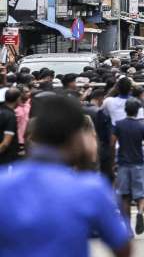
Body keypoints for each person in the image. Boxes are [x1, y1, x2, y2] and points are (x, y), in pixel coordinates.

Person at [0, 95, 132, 257]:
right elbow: (122, 247)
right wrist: (86, 165)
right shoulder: (90, 189)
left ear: (34, 136)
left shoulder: (4, 184)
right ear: (77, 138)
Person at [111, 97, 144, 235]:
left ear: (125, 110)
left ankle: (128, 228)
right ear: (138, 111)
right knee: (141, 194)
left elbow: (112, 143)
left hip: (123, 163)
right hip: (138, 162)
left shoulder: (118, 125)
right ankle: (140, 211)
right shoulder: (143, 126)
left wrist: (113, 160)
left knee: (124, 196)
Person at [0, 88, 20, 166]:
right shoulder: (10, 116)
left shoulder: (2, 111)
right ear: (18, 99)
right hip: (6, 159)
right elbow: (5, 143)